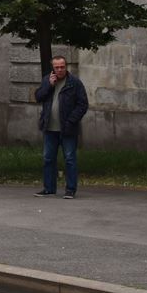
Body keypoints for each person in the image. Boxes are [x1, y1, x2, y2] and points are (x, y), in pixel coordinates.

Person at [33, 56, 89, 199]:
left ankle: (70, 189)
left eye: (62, 67)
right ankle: (49, 188)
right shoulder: (47, 80)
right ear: (53, 68)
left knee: (70, 159)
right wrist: (49, 86)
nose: (59, 69)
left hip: (67, 128)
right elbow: (38, 97)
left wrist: (71, 121)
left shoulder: (74, 83)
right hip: (49, 128)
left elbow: (83, 104)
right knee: (48, 158)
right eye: (57, 67)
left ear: (66, 67)